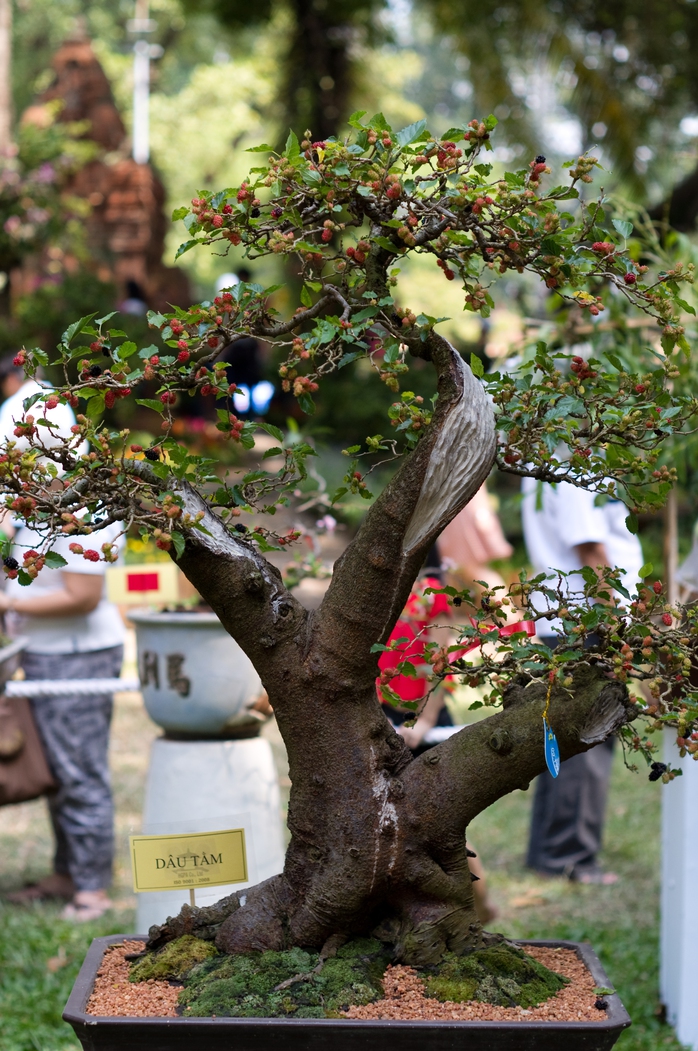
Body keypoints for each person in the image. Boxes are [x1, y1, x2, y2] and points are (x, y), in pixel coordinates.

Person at [0, 355, 126, 920]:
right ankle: (62, 872)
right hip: (42, 652)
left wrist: (9, 600)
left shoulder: (85, 506)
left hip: (81, 652)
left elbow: (82, 596)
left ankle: (92, 887)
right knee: (55, 770)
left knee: (80, 771)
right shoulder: (35, 503)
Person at [521, 476, 644, 884]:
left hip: (573, 622)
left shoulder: (553, 462)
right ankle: (568, 858)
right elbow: (589, 547)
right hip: (588, 623)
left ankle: (550, 853)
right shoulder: (573, 467)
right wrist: (617, 621)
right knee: (585, 740)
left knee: (562, 736)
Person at [377, 569, 497, 922]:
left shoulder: (431, 591)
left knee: (444, 831)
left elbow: (439, 662)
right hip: (382, 717)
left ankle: (480, 908)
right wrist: (380, 724)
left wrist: (423, 722)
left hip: (428, 719)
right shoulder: (375, 593)